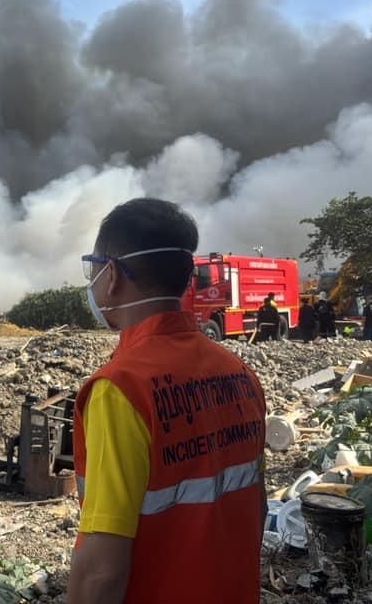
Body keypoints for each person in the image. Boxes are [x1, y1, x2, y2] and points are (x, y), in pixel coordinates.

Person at [70, 198, 267, 604]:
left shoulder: (121, 389)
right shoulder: (239, 373)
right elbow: (258, 508)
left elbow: (102, 570)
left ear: (112, 275)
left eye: (94, 267)